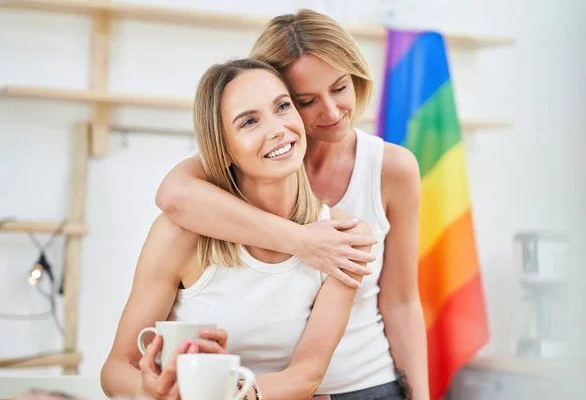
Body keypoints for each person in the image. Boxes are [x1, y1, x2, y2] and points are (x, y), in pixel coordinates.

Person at [155, 8, 429, 400]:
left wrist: (420, 396)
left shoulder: (392, 169)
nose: (332, 113)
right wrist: (304, 241)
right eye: (305, 100)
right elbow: (172, 196)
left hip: (365, 385)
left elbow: (401, 301)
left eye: (340, 88)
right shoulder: (254, 157)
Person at [100, 58, 375, 400]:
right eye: (249, 122)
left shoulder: (344, 237)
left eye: (283, 107)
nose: (277, 129)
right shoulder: (178, 235)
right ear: (224, 150)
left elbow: (307, 375)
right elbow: (116, 369)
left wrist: (231, 394)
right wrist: (151, 393)